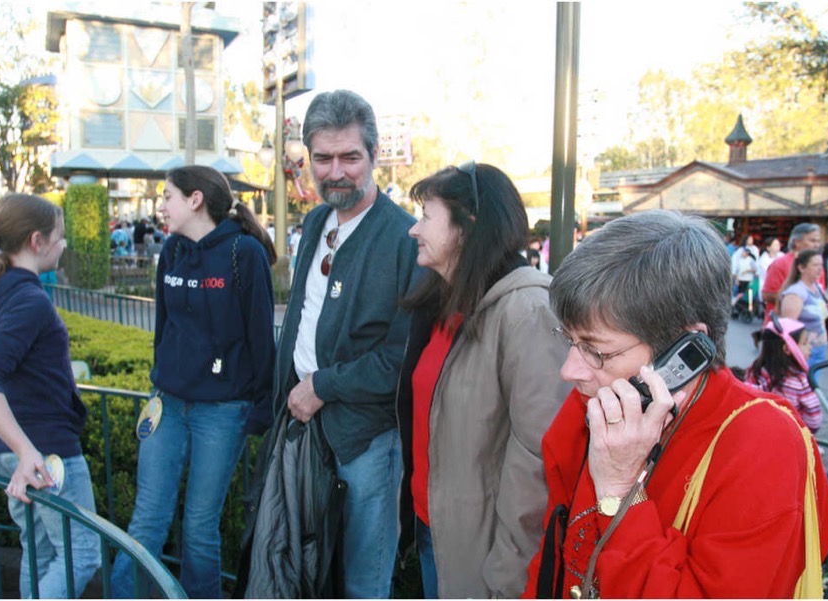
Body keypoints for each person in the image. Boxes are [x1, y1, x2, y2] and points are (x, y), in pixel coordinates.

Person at [523, 210, 828, 599]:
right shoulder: (592, 408)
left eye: (595, 350)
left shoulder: (764, 447)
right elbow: (557, 557)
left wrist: (620, 492)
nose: (569, 371)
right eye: (570, 341)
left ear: (684, 350)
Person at [397, 162, 571, 598]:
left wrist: (507, 577)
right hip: (436, 529)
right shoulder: (443, 301)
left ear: (468, 223)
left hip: (487, 558)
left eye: (426, 215)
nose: (413, 230)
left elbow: (538, 463)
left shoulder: (527, 311)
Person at [273, 89, 419, 598]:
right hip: (305, 425)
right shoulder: (315, 222)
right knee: (311, 571)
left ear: (375, 157)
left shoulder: (405, 240)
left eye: (350, 157)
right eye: (323, 158)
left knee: (362, 580)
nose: (335, 171)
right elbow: (303, 317)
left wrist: (322, 385)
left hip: (366, 439)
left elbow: (400, 358)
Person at [110, 166, 277, 599]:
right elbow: (163, 327)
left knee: (200, 527)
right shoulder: (172, 251)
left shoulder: (245, 253)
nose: (161, 205)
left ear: (195, 199)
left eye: (167, 196)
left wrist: (261, 407)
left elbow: (261, 335)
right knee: (147, 518)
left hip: (222, 411)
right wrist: (160, 379)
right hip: (168, 403)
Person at [0, 194, 101, 598]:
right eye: (61, 237)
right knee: (82, 553)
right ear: (37, 241)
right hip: (44, 452)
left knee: (39, 554)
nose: (64, 245)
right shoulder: (27, 299)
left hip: (12, 448)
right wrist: (27, 452)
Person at [745, 315, 821, 432]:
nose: (810, 348)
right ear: (787, 348)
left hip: (757, 431)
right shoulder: (800, 382)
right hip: (790, 436)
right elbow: (814, 421)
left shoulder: (756, 370)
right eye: (805, 343)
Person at [779, 249, 828, 370]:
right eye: (815, 265)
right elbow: (788, 327)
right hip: (803, 351)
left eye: (821, 265)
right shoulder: (796, 293)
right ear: (801, 268)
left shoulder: (817, 288)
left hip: (819, 348)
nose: (820, 269)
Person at [762, 222, 823, 322]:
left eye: (818, 241)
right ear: (797, 242)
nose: (817, 245)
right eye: (812, 241)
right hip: (784, 327)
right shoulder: (780, 264)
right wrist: (794, 298)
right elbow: (766, 295)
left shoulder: (818, 265)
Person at [756, 236, 784, 300]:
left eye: (778, 245)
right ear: (768, 248)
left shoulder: (782, 255)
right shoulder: (763, 260)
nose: (778, 246)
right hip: (768, 289)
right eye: (775, 245)